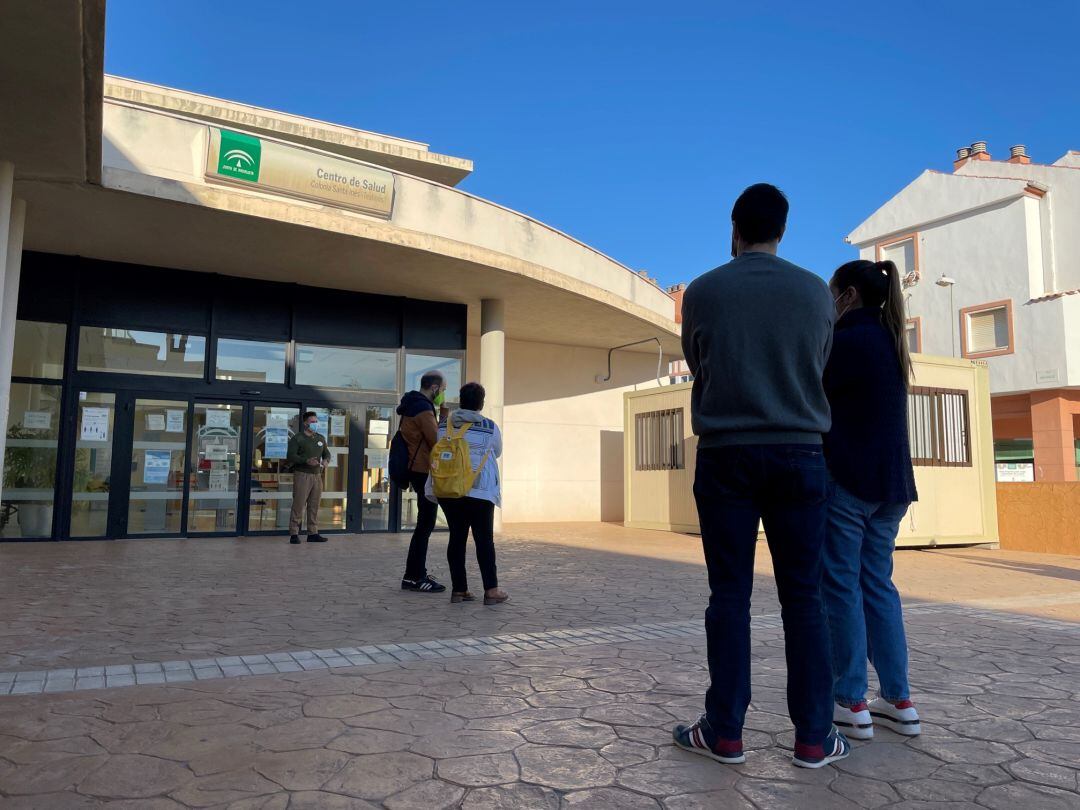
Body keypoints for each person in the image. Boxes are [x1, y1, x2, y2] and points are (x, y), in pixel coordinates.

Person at [673, 183, 850, 769]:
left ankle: (725, 731)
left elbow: (700, 364)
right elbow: (817, 366)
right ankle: (813, 737)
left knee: (730, 594)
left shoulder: (701, 291)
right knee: (805, 596)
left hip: (726, 452)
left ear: (734, 228)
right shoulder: (816, 293)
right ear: (783, 229)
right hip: (801, 453)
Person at [822, 259, 921, 740]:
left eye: (832, 292)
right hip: (893, 487)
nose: (829, 300)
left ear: (849, 296)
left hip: (850, 483)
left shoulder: (845, 343)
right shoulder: (891, 341)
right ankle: (898, 699)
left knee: (841, 586)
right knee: (878, 586)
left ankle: (851, 700)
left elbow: (811, 394)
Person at [426, 382, 508, 605]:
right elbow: (498, 451)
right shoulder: (490, 427)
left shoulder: (444, 426)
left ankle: (459, 590)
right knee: (484, 540)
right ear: (481, 403)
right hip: (479, 490)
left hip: (449, 489)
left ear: (461, 400)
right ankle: (491, 591)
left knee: (457, 537)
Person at [397, 372, 448, 593]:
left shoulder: (413, 404)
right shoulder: (423, 409)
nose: (443, 394)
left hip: (415, 468)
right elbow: (437, 440)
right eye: (443, 390)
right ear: (435, 388)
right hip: (423, 470)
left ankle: (414, 574)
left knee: (423, 525)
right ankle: (414, 576)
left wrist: (441, 410)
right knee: (425, 526)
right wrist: (444, 414)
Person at [287, 411, 331, 544]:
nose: (315, 424)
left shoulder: (320, 438)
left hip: (317, 475)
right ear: (305, 423)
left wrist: (326, 461)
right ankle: (294, 533)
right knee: (299, 504)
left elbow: (327, 453)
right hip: (302, 475)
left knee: (314, 505)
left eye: (316, 421)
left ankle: (313, 533)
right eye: (312, 422)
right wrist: (306, 460)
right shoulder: (297, 438)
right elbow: (291, 456)